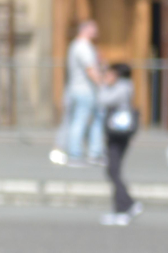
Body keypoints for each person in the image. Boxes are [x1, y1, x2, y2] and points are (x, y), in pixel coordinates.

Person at [52, 20, 105, 166]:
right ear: (86, 29)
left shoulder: (79, 46)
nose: (96, 31)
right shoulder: (83, 46)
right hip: (84, 90)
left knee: (94, 119)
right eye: (94, 28)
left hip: (80, 89)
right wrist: (102, 83)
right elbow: (90, 69)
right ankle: (76, 154)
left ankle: (94, 153)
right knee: (80, 121)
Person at [98, 62, 141, 225]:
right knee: (113, 170)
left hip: (118, 133)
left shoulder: (122, 87)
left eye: (110, 73)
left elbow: (103, 99)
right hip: (118, 132)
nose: (107, 76)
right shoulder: (125, 86)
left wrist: (103, 85)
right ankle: (122, 207)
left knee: (113, 170)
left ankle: (126, 206)